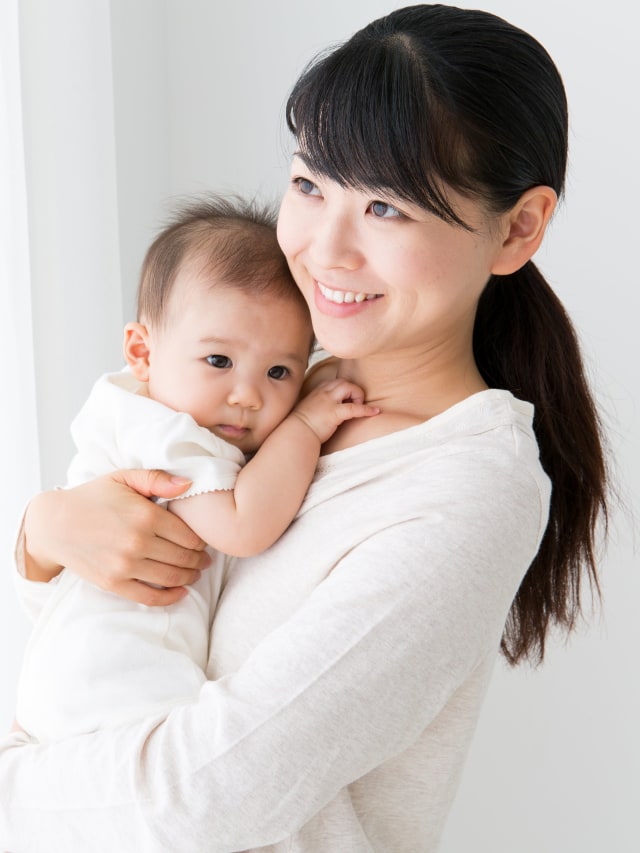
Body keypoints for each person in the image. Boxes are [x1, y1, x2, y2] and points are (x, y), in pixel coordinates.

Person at [1, 5, 610, 851]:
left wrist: (14, 779)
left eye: (387, 209)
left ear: (518, 228)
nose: (325, 249)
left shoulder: (467, 490)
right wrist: (45, 534)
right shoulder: (278, 379)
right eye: (310, 185)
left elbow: (213, 794)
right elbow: (132, 613)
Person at [14, 195, 377, 742]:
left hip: (80, 681)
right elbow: (242, 525)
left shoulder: (157, 410)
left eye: (279, 370)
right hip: (116, 685)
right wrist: (304, 425)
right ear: (142, 351)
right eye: (219, 361)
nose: (248, 396)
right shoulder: (160, 430)